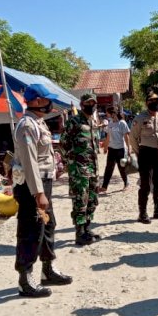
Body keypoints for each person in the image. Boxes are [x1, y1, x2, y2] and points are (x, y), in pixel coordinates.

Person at [12, 84, 72, 298]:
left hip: (42, 183)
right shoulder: (27, 125)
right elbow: (29, 162)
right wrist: (39, 193)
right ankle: (25, 279)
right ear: (37, 101)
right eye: (47, 100)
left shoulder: (38, 123)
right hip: (31, 186)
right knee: (30, 230)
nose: (50, 104)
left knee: (48, 225)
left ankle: (48, 269)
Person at [60, 93, 102, 246]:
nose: (92, 105)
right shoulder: (74, 121)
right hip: (79, 170)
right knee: (80, 200)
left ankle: (87, 228)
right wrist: (70, 163)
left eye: (93, 103)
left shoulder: (92, 122)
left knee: (92, 199)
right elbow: (63, 143)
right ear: (82, 104)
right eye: (89, 103)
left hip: (93, 169)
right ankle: (79, 232)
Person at [131, 92, 158, 224]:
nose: (155, 103)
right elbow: (133, 138)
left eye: (157, 100)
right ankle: (142, 213)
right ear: (146, 102)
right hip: (145, 153)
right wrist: (139, 153)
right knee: (145, 185)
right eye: (152, 100)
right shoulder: (140, 118)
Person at [100, 107, 131, 193]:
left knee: (122, 168)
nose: (107, 115)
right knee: (108, 168)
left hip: (120, 149)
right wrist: (106, 147)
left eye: (107, 113)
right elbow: (108, 136)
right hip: (111, 149)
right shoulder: (110, 123)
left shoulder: (122, 123)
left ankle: (126, 183)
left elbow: (126, 136)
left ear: (112, 114)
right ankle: (104, 187)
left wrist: (129, 148)